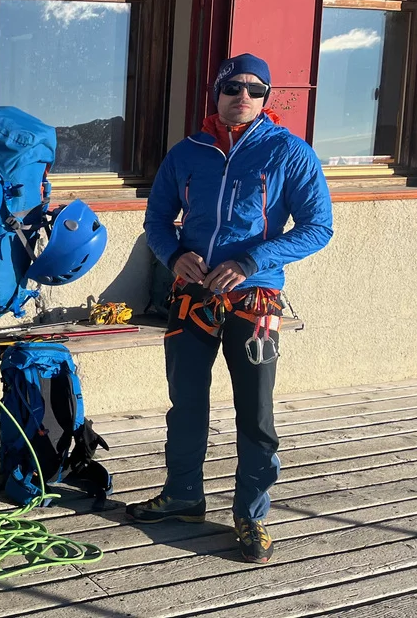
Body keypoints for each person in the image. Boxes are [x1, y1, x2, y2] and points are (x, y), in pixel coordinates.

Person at [131, 54, 333, 563]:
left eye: (256, 88)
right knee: (186, 405)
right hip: (192, 299)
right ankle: (183, 496)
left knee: (256, 413)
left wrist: (253, 258)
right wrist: (175, 255)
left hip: (255, 301)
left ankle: (252, 514)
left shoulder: (291, 153)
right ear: (216, 93)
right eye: (233, 86)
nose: (243, 95)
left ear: (266, 97)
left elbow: (318, 227)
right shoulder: (186, 153)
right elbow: (157, 219)